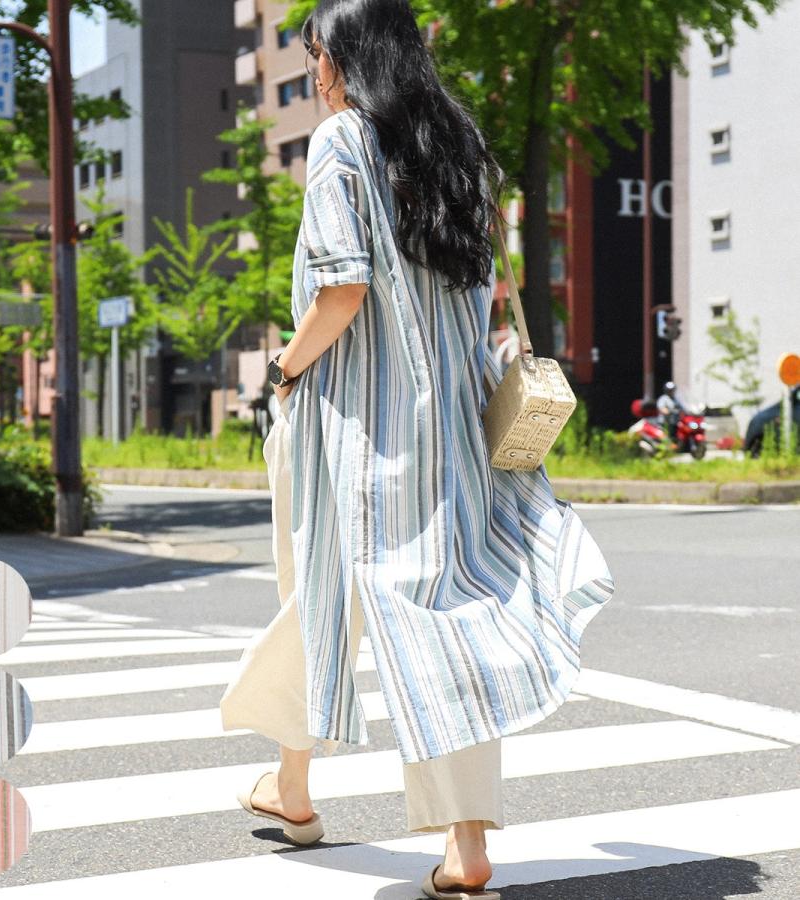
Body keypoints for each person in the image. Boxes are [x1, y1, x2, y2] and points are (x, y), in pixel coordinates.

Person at [219, 2, 615, 897]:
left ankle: (422, 828)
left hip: (355, 427)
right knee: (424, 607)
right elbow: (474, 295)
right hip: (455, 424)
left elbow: (340, 294)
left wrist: (280, 373)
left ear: (341, 56)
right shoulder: (455, 145)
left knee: (345, 598)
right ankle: (312, 794)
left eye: (316, 53)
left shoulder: (341, 143)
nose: (314, 72)